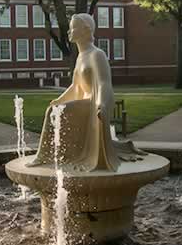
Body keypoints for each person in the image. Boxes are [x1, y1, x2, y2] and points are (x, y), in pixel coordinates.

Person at [27, 13, 143, 171]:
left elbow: (104, 83)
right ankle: (58, 154)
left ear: (86, 31)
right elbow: (75, 87)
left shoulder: (97, 55)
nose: (69, 31)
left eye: (73, 28)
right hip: (84, 103)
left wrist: (102, 104)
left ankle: (44, 156)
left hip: (93, 104)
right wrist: (59, 100)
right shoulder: (80, 57)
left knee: (53, 113)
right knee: (54, 109)